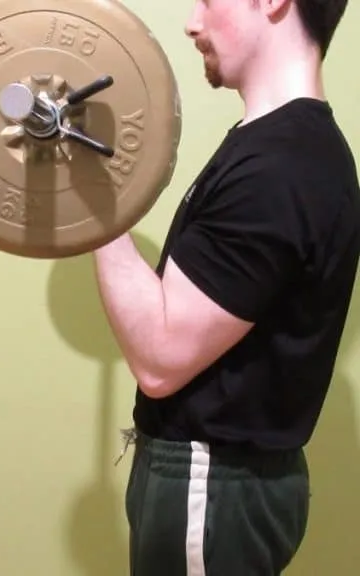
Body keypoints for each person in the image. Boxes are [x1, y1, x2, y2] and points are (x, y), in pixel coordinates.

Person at [92, 0, 357, 574]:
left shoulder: (280, 166)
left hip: (209, 485)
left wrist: (89, 199)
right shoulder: (274, 147)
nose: (192, 22)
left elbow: (161, 358)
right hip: (213, 481)